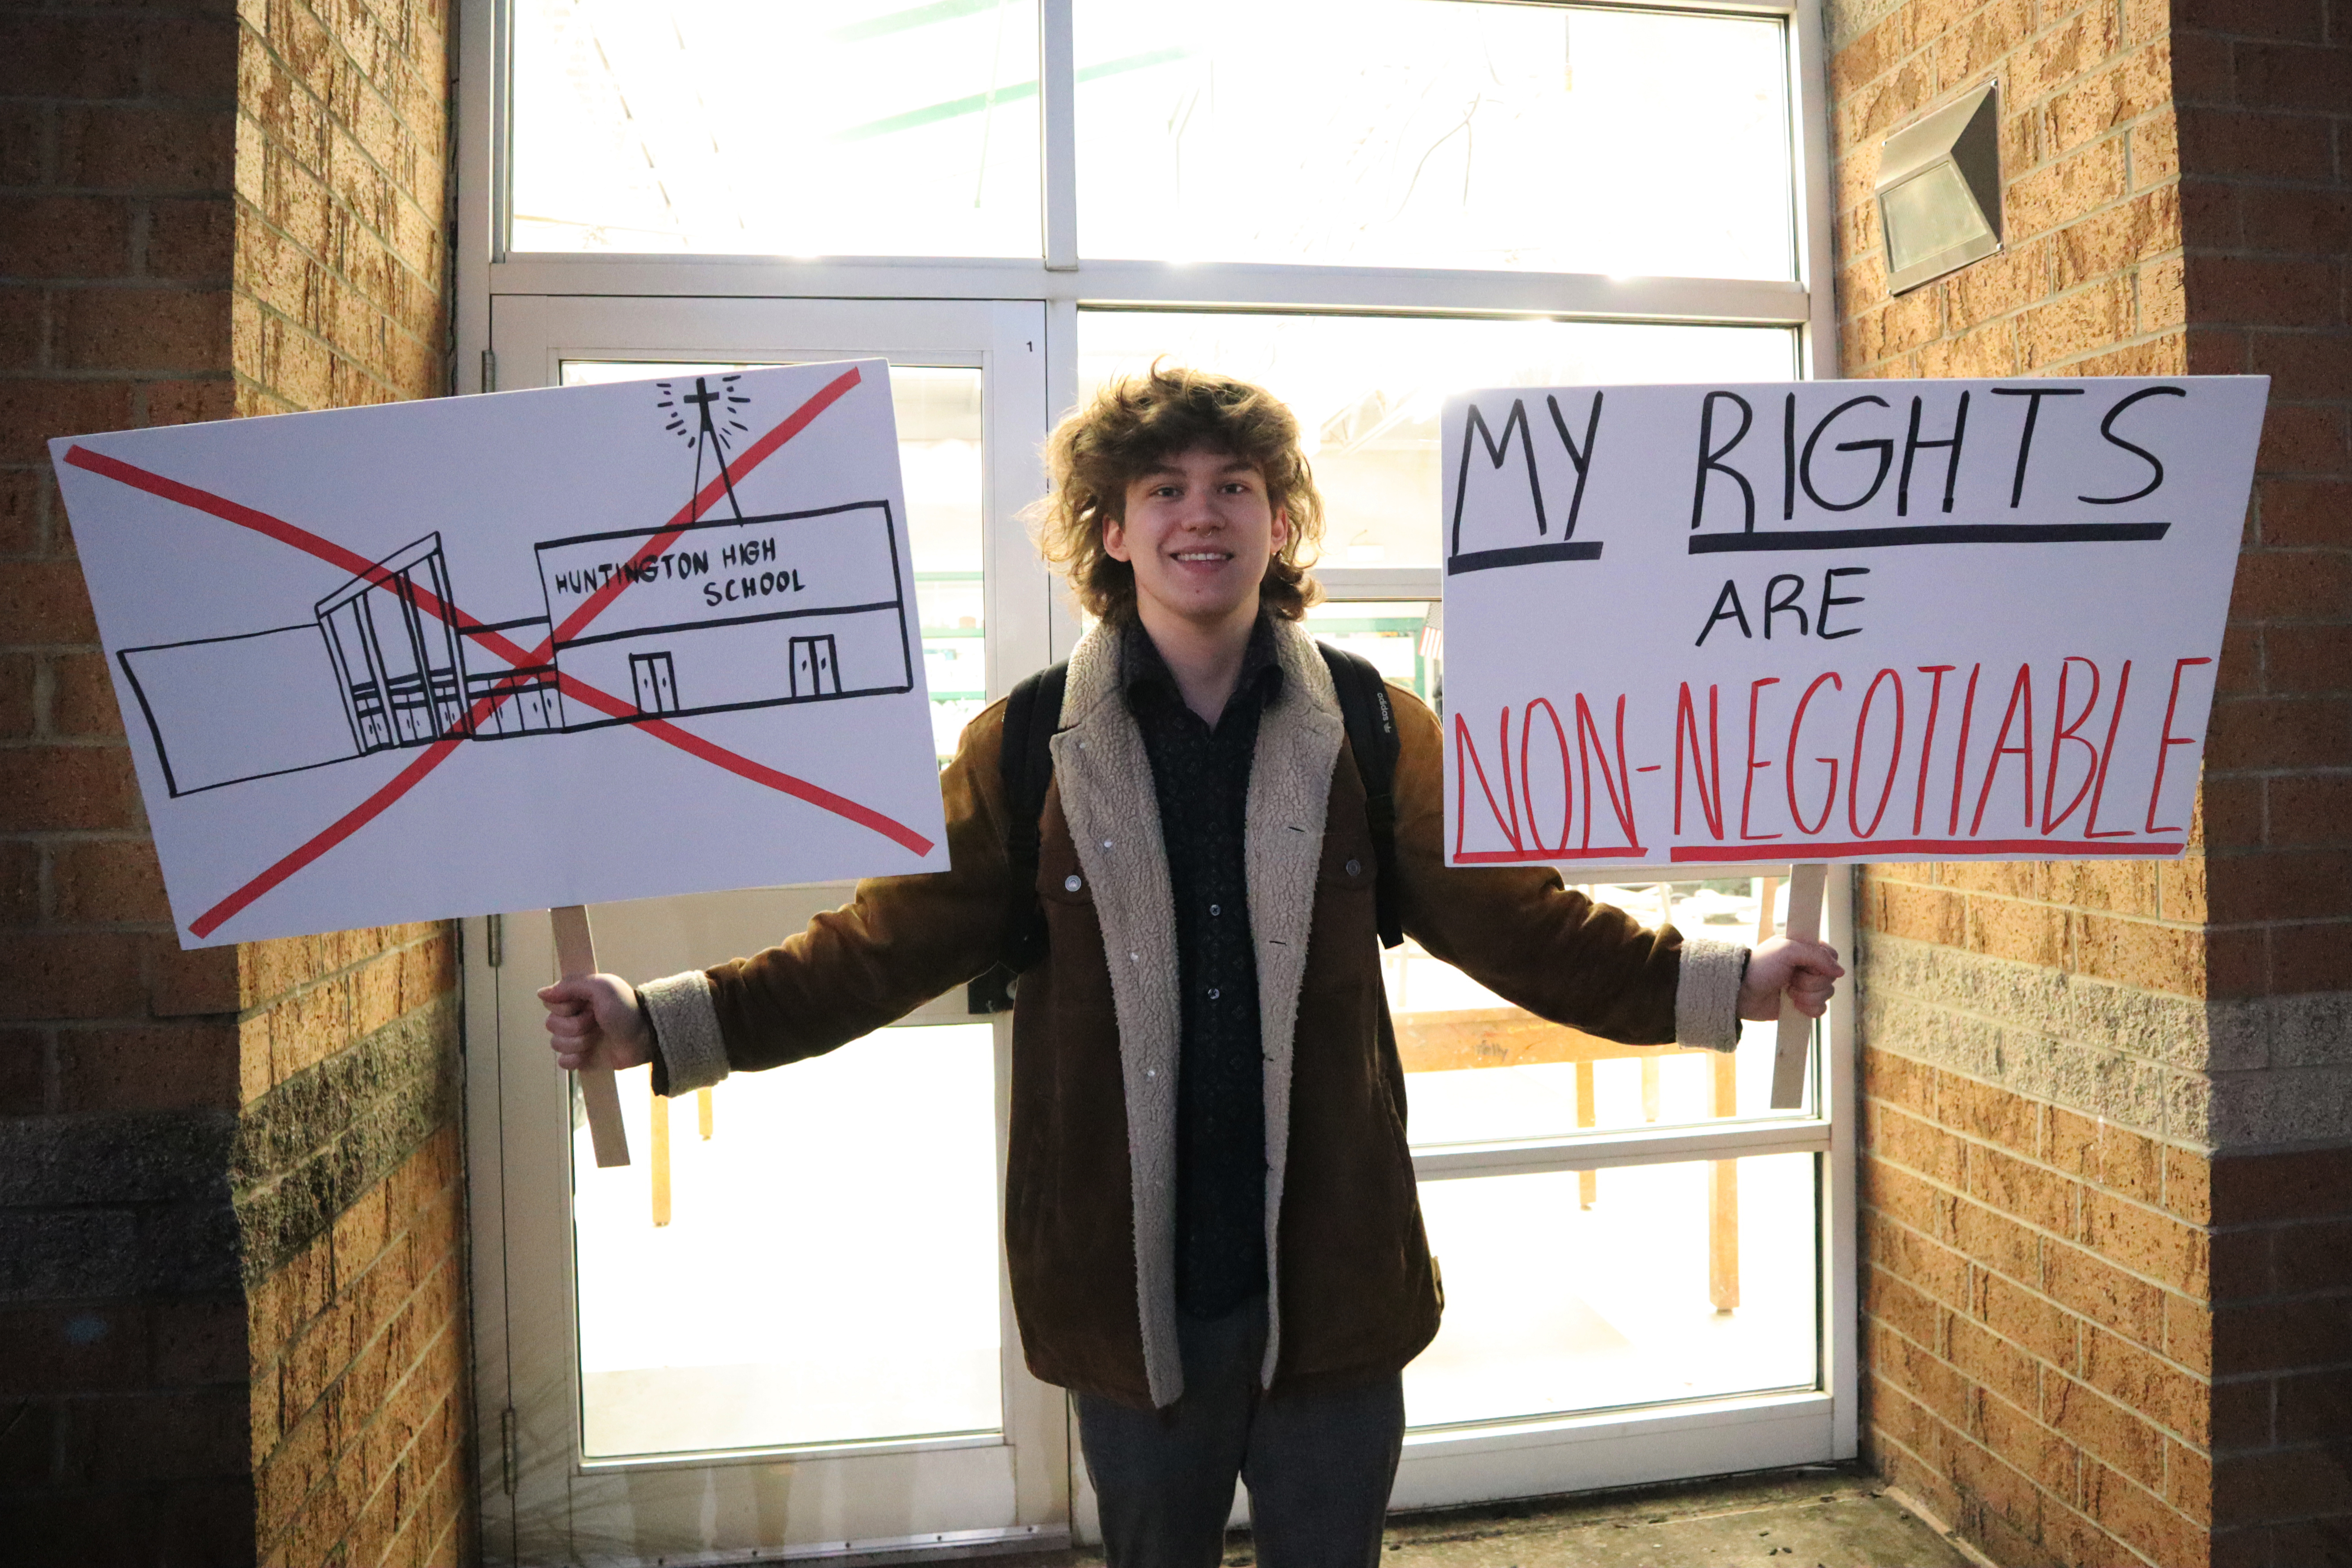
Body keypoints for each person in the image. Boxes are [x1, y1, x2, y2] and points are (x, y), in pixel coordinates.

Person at [543, 366, 1843, 1568]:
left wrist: (1730, 979)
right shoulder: (1022, 749)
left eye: (1234, 487)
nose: (1198, 516)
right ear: (1108, 531)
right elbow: (874, 949)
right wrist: (657, 1026)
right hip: (1126, 1285)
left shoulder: (1378, 729)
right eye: (1161, 489)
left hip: (1328, 1273)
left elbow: (1526, 926)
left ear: (1280, 524)